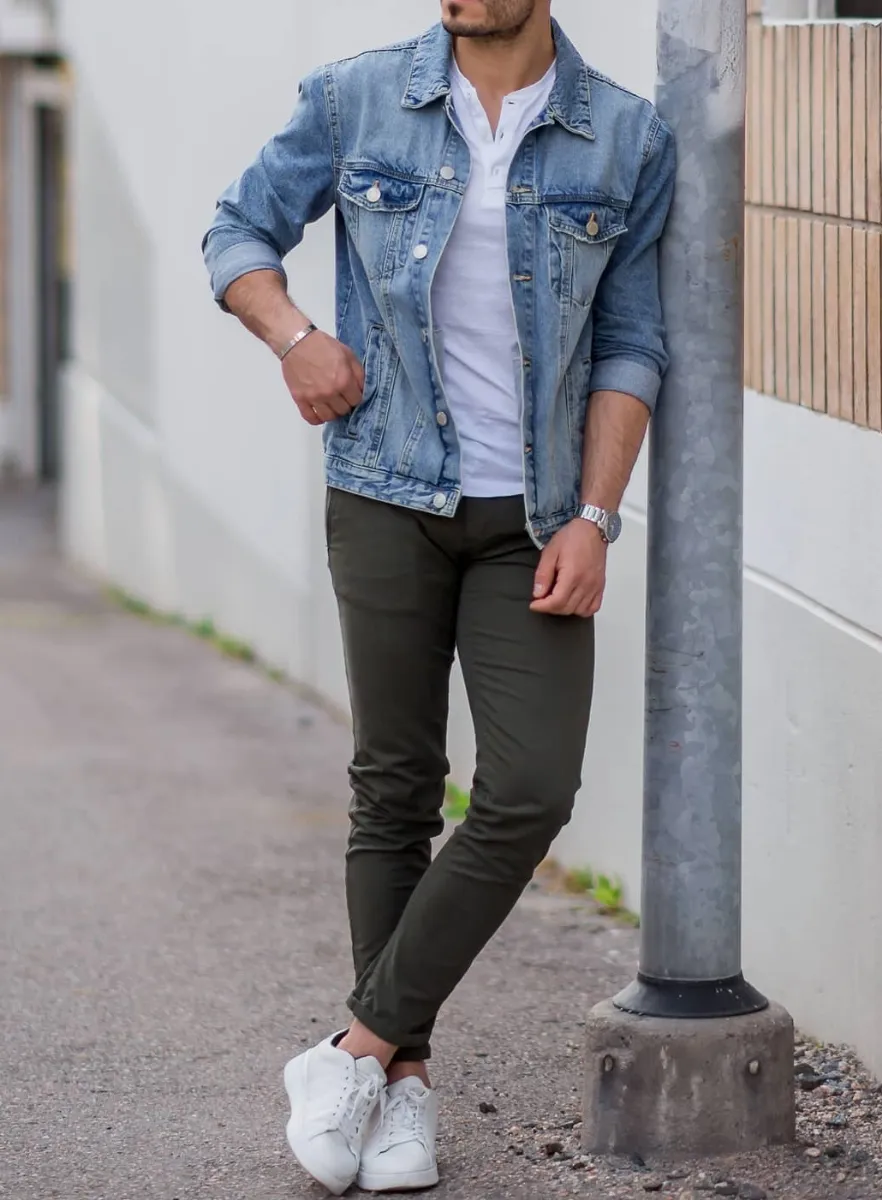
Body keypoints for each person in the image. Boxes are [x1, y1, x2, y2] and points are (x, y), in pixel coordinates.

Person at [203, 0, 674, 1192]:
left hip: (537, 519)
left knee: (526, 791)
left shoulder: (625, 135)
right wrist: (294, 335)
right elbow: (237, 234)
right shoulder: (357, 96)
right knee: (397, 785)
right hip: (385, 490)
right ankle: (402, 1089)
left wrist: (597, 516)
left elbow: (631, 341)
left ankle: (351, 1049)